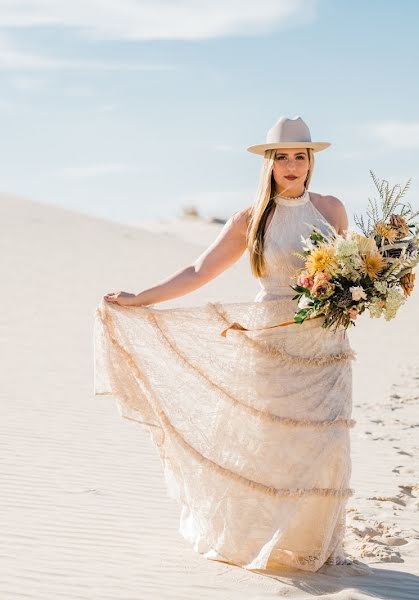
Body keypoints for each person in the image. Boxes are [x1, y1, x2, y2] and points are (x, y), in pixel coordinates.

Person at [94, 116, 369, 574]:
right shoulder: (251, 218)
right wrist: (141, 298)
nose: (291, 165)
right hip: (273, 344)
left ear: (311, 161)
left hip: (325, 347)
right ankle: (270, 540)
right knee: (275, 443)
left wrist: (355, 297)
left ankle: (315, 545)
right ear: (269, 162)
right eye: (282, 157)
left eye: (300, 156)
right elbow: (200, 270)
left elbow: (349, 271)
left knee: (328, 443)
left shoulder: (331, 208)